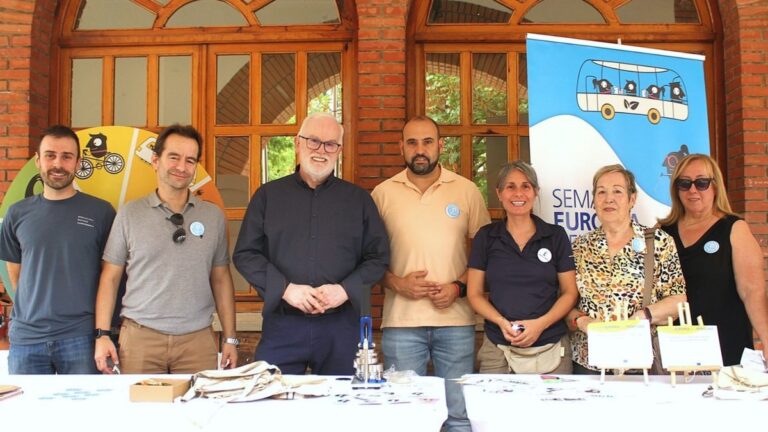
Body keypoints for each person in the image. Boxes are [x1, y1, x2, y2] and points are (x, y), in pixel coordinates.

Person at [233, 112, 389, 375]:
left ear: (339, 150)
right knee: (269, 403)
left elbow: (378, 257)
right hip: (283, 324)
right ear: (297, 143)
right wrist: (285, 289)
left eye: (330, 144)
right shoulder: (268, 197)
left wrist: (344, 290)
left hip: (341, 328)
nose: (321, 150)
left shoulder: (359, 201)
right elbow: (246, 254)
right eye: (313, 141)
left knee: (343, 407)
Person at [371, 115, 490, 432]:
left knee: (459, 417)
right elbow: (368, 259)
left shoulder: (466, 191)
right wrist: (397, 283)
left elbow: (487, 254)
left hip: (456, 321)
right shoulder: (382, 194)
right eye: (411, 142)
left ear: (440, 145)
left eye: (426, 142)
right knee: (405, 417)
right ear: (401, 147)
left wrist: (458, 287)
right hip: (401, 323)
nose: (419, 149)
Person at [93, 125, 238, 374]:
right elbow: (110, 277)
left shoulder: (212, 216)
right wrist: (102, 335)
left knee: (198, 412)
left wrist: (230, 339)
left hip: (197, 341)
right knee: (142, 412)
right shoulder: (130, 213)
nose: (182, 167)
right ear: (156, 161)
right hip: (140, 339)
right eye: (174, 157)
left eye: (190, 160)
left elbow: (221, 279)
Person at [0, 125, 115, 374]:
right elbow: (15, 273)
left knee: (84, 412)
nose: (58, 164)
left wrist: (102, 333)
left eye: (66, 156)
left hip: (81, 339)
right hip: (26, 340)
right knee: (28, 412)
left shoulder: (102, 213)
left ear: (77, 163)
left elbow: (112, 276)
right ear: (37, 160)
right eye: (50, 155)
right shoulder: (17, 213)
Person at [567, 164, 686, 374]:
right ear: (594, 200)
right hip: (589, 363)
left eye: (617, 191)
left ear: (632, 199)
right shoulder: (580, 247)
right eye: (601, 192)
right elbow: (566, 303)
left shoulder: (658, 242)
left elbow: (678, 301)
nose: (608, 198)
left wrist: (641, 317)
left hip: (641, 363)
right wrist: (583, 321)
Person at [467, 161, 577, 374]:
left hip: (551, 345)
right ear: (499, 193)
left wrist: (540, 325)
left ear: (535, 192)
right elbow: (474, 294)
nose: (518, 193)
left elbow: (569, 292)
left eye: (525, 186)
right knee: (493, 407)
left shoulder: (555, 236)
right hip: (498, 345)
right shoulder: (486, 237)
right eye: (510, 187)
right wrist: (501, 322)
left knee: (556, 407)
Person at [659, 154, 768, 366]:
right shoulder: (662, 234)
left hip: (727, 346)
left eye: (702, 182)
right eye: (684, 183)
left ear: (715, 186)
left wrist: (766, 337)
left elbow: (753, 291)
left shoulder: (734, 229)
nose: (693, 190)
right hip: (676, 351)